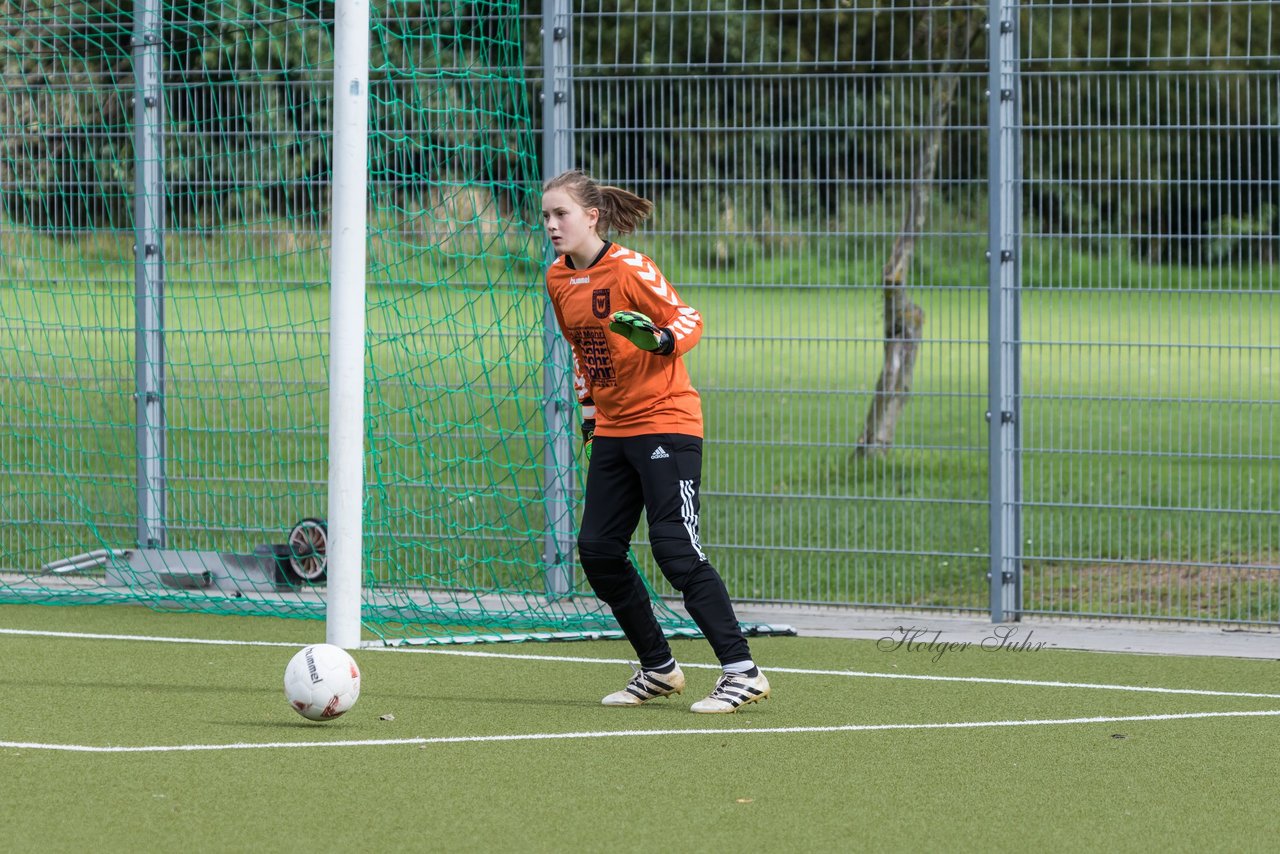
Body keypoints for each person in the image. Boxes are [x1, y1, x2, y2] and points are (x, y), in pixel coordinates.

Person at [541, 169, 770, 714]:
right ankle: (659, 669)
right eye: (546, 216)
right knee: (598, 550)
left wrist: (663, 339)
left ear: (591, 217)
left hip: (667, 421)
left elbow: (688, 318)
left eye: (561, 214)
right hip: (614, 429)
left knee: (674, 548)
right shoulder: (556, 279)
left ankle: (743, 671)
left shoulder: (631, 268)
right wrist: (591, 418)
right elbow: (582, 353)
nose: (551, 225)